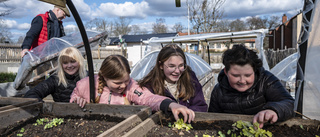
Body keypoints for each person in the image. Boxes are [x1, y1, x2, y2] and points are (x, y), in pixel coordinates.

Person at [70, 55, 195, 123]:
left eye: (126, 80)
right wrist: (76, 101)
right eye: (117, 83)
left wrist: (171, 104)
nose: (124, 86)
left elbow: (148, 98)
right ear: (104, 76)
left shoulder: (131, 86)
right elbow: (71, 103)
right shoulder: (85, 85)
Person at [208, 44, 294, 128]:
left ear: (255, 71)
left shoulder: (266, 81)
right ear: (226, 72)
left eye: (248, 75)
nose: (242, 81)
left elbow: (289, 102)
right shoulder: (218, 91)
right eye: (235, 75)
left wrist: (273, 110)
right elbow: (211, 120)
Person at [138, 44, 208, 112]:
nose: (177, 71)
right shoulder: (149, 86)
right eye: (171, 66)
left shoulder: (190, 79)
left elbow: (200, 106)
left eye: (181, 65)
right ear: (161, 65)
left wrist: (187, 114)